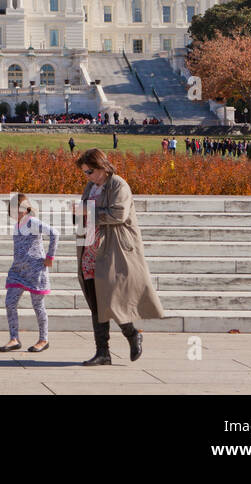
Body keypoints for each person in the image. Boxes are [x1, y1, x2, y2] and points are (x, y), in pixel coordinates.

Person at [74, 149, 165, 365]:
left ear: (101, 167)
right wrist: (78, 214)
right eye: (85, 173)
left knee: (111, 298)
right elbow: (83, 214)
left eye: (89, 171)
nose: (87, 176)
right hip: (90, 247)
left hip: (113, 248)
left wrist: (88, 210)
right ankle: (103, 352)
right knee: (96, 302)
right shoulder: (91, 186)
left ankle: (132, 334)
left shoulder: (118, 185)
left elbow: (118, 214)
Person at [0, 194, 57, 353]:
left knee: (38, 305)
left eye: (19, 209)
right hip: (17, 271)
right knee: (10, 302)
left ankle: (43, 339)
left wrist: (49, 257)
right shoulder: (16, 225)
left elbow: (54, 233)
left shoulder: (32, 222)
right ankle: (14, 338)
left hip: (35, 270)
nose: (16, 212)